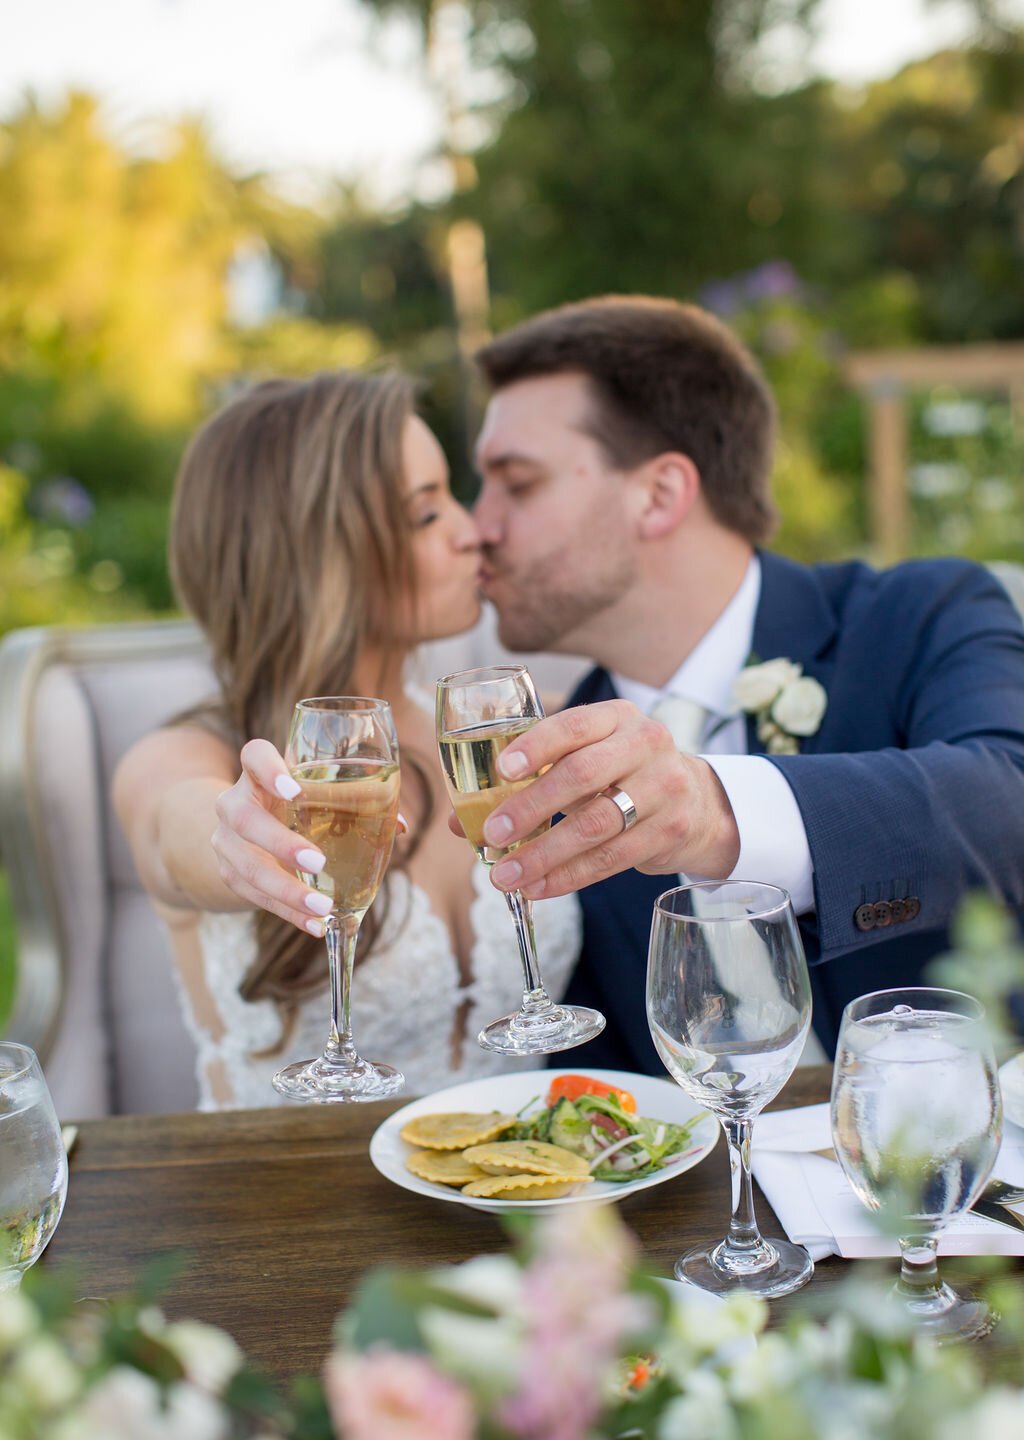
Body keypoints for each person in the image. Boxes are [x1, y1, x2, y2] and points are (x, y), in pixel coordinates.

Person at [463, 294, 1024, 1066]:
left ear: (659, 495)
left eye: (516, 483)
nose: (475, 526)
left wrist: (713, 812)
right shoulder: (547, 770)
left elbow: (1010, 802)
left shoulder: (921, 616)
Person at [113, 370, 581, 1108]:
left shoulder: (507, 739)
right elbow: (179, 831)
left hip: (515, 1208)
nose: (472, 530)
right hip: (291, 1211)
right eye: (426, 516)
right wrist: (232, 834)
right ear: (320, 559)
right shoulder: (185, 760)